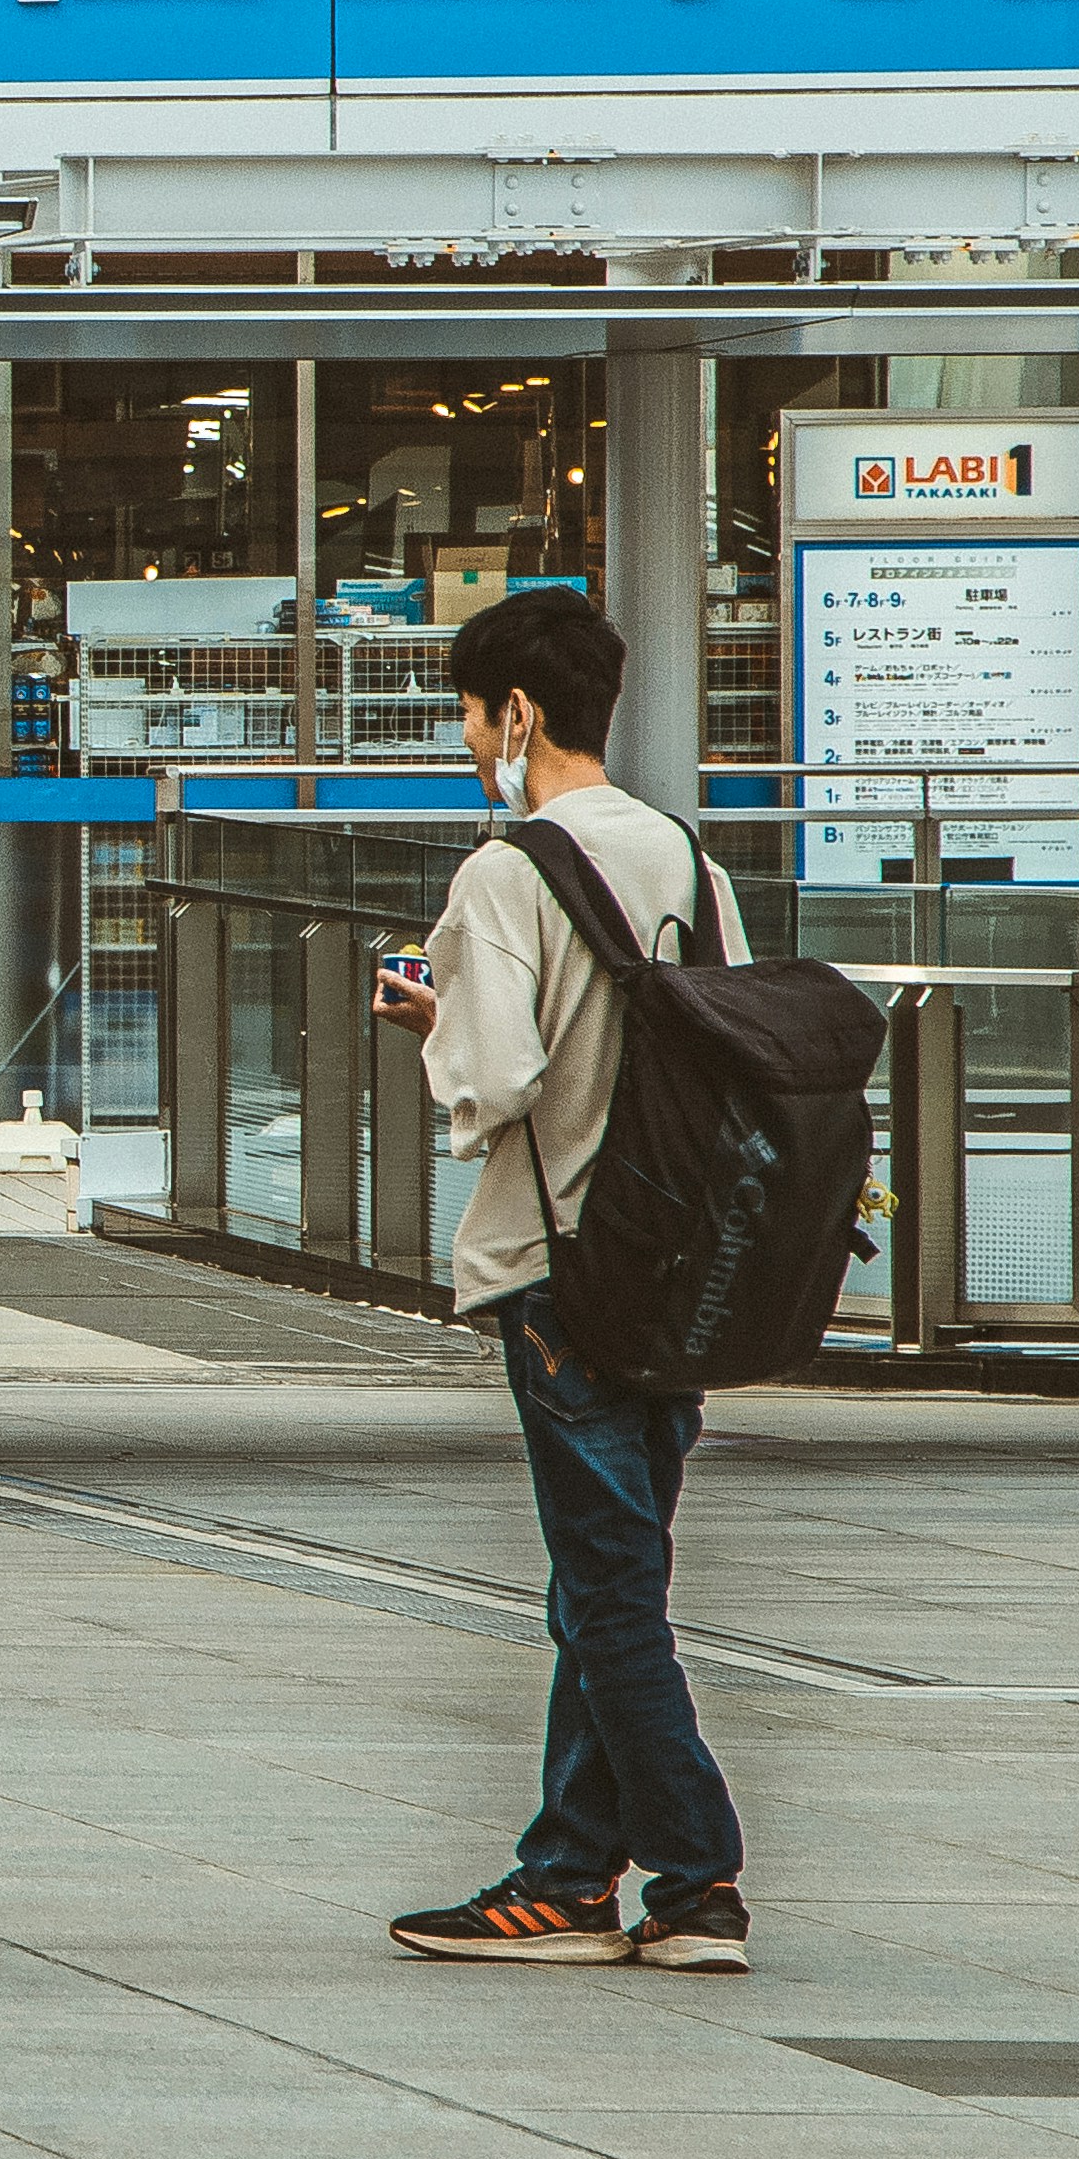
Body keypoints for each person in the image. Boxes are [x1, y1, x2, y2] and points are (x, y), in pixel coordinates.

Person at [373, 591, 753, 1976]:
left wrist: (434, 1022)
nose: (468, 738)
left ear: (517, 713)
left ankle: (697, 1878)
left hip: (563, 1274)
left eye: (470, 714)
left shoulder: (505, 871)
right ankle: (567, 1874)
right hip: (680, 1275)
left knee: (606, 1594)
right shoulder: (687, 856)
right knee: (606, 1574)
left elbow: (494, 1081)